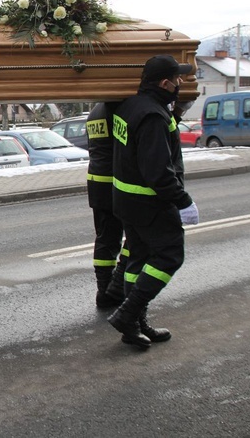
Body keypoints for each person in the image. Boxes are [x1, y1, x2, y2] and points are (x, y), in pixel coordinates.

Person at [108, 55, 199, 349]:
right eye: (177, 79)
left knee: (139, 258)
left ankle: (135, 324)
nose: (181, 83)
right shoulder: (153, 117)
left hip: (126, 200)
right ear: (164, 83)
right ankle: (128, 314)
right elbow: (158, 172)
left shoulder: (131, 105)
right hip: (149, 204)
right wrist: (183, 201)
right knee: (170, 256)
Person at [85, 102, 128, 308]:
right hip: (115, 182)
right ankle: (116, 287)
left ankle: (104, 290)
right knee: (134, 237)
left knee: (105, 239)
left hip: (97, 181)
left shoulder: (95, 112)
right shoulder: (117, 109)